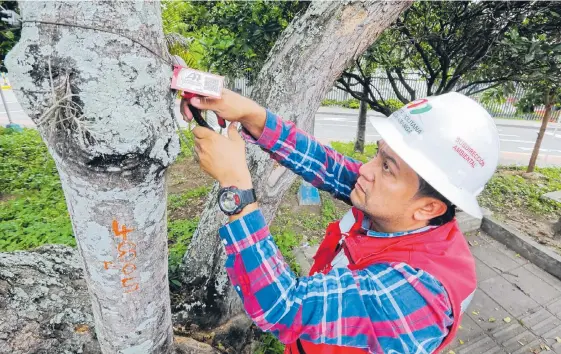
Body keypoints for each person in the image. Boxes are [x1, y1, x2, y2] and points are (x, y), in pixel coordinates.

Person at [181, 89, 500, 354]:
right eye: (378, 155)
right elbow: (328, 165)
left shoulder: (419, 296)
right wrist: (251, 115)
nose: (366, 170)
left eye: (387, 167)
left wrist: (235, 185)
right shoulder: (398, 209)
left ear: (428, 207)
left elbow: (285, 307)